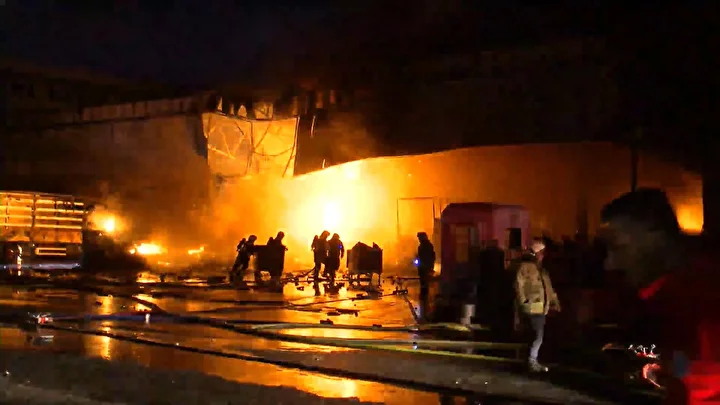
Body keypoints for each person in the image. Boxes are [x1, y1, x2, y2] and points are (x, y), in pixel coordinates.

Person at [600, 188, 720, 404]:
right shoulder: (670, 296)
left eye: (618, 248)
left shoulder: (702, 300)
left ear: (656, 238)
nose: (610, 264)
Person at [514, 240, 561, 372]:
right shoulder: (526, 267)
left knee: (537, 335)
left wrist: (555, 303)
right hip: (533, 306)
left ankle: (530, 360)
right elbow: (519, 286)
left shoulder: (541, 269)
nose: (543, 255)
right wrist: (523, 302)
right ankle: (531, 361)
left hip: (541, 306)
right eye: (542, 252)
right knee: (537, 336)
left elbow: (549, 288)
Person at [416, 232, 436, 298]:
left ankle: (424, 295)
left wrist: (430, 267)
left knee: (425, 282)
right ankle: (423, 295)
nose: (419, 239)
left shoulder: (428, 246)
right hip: (422, 267)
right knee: (423, 282)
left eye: (419, 237)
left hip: (425, 267)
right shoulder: (421, 246)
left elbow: (431, 257)